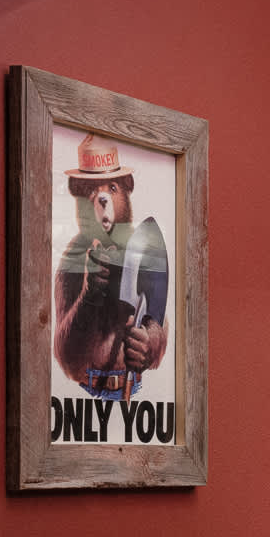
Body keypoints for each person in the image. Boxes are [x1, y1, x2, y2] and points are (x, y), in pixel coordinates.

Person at [53, 134, 168, 398]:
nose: (102, 198)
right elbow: (64, 353)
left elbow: (158, 317)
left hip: (131, 387)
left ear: (127, 189)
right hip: (87, 388)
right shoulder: (73, 257)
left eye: (112, 189)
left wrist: (149, 343)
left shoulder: (141, 247)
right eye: (91, 191)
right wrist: (88, 295)